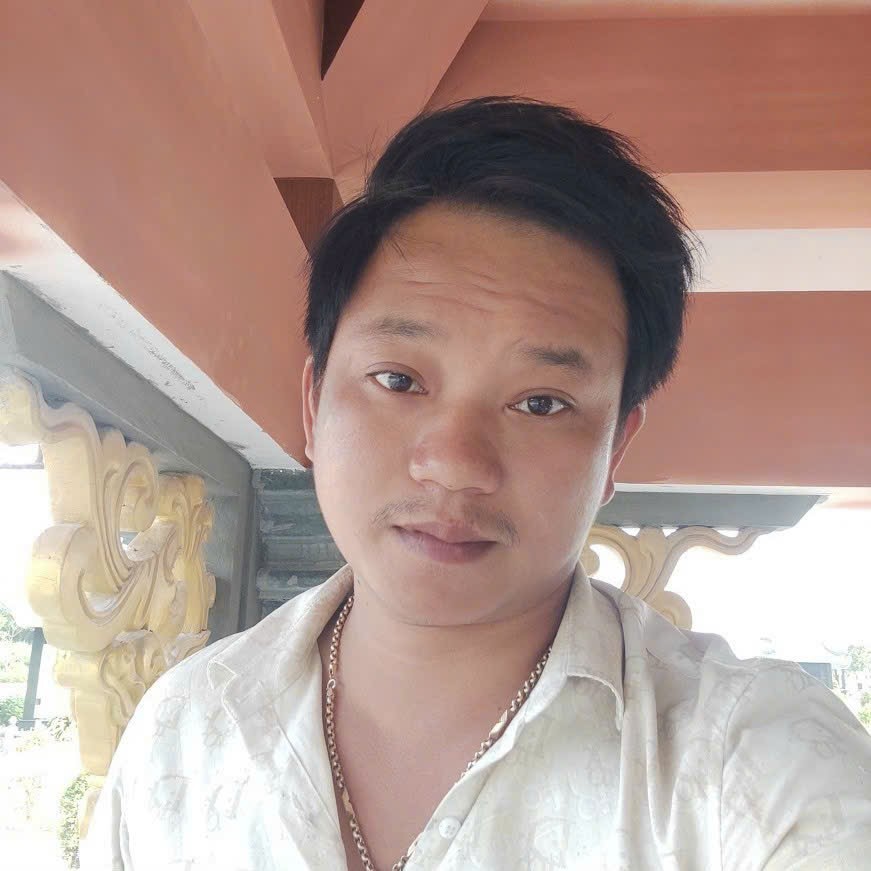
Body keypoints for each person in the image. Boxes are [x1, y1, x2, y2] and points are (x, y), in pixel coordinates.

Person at [82, 97, 871, 870]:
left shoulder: (754, 769)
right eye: (398, 379)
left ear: (614, 449)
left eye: (541, 402)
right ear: (315, 402)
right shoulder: (183, 732)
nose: (456, 461)